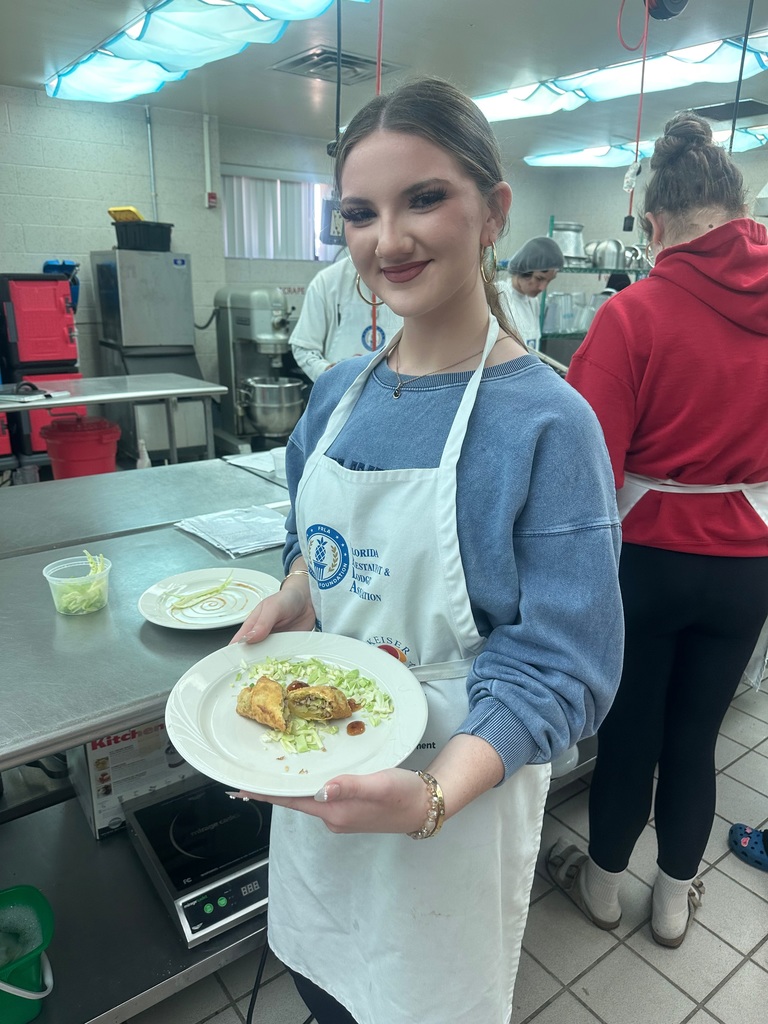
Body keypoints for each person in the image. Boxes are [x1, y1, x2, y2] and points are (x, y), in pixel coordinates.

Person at [231, 77, 623, 1024]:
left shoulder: (548, 423)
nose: (388, 240)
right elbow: (310, 535)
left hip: (456, 791)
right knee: (325, 992)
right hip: (323, 757)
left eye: (424, 199)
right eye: (361, 214)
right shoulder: (337, 400)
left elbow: (562, 664)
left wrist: (431, 799)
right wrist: (296, 591)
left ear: (494, 211)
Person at [550, 111, 768, 949]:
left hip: (646, 562)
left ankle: (603, 888)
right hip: (747, 565)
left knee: (631, 730)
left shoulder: (632, 316)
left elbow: (585, 474)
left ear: (653, 223)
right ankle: (674, 900)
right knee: (696, 737)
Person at [290, 253, 402, 381]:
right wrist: (329, 373)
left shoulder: (410, 278)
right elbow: (304, 347)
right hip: (341, 393)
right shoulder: (326, 281)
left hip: (397, 388)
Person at [497, 235, 564, 349]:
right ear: (523, 271)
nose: (543, 288)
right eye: (539, 278)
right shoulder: (498, 296)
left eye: (548, 281)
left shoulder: (533, 302)